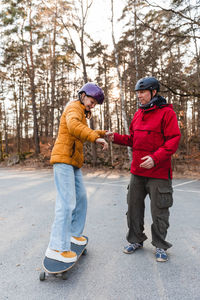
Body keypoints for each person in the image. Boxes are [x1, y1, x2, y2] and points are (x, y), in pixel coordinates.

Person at [106, 77, 181, 262]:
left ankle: (160, 246)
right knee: (133, 208)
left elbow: (173, 140)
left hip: (159, 173)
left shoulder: (166, 113)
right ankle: (136, 240)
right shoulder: (138, 114)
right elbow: (133, 140)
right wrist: (114, 137)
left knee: (159, 211)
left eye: (142, 92)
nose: (139, 95)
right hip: (137, 172)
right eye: (137, 93)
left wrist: (155, 158)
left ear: (153, 92)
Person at [45, 82, 108, 263]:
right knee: (66, 203)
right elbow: (73, 126)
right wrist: (96, 137)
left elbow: (81, 130)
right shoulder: (74, 107)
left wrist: (103, 133)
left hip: (73, 162)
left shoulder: (82, 112)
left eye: (95, 103)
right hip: (63, 160)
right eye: (91, 100)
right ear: (83, 95)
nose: (92, 105)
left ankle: (73, 234)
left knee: (81, 198)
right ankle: (56, 247)